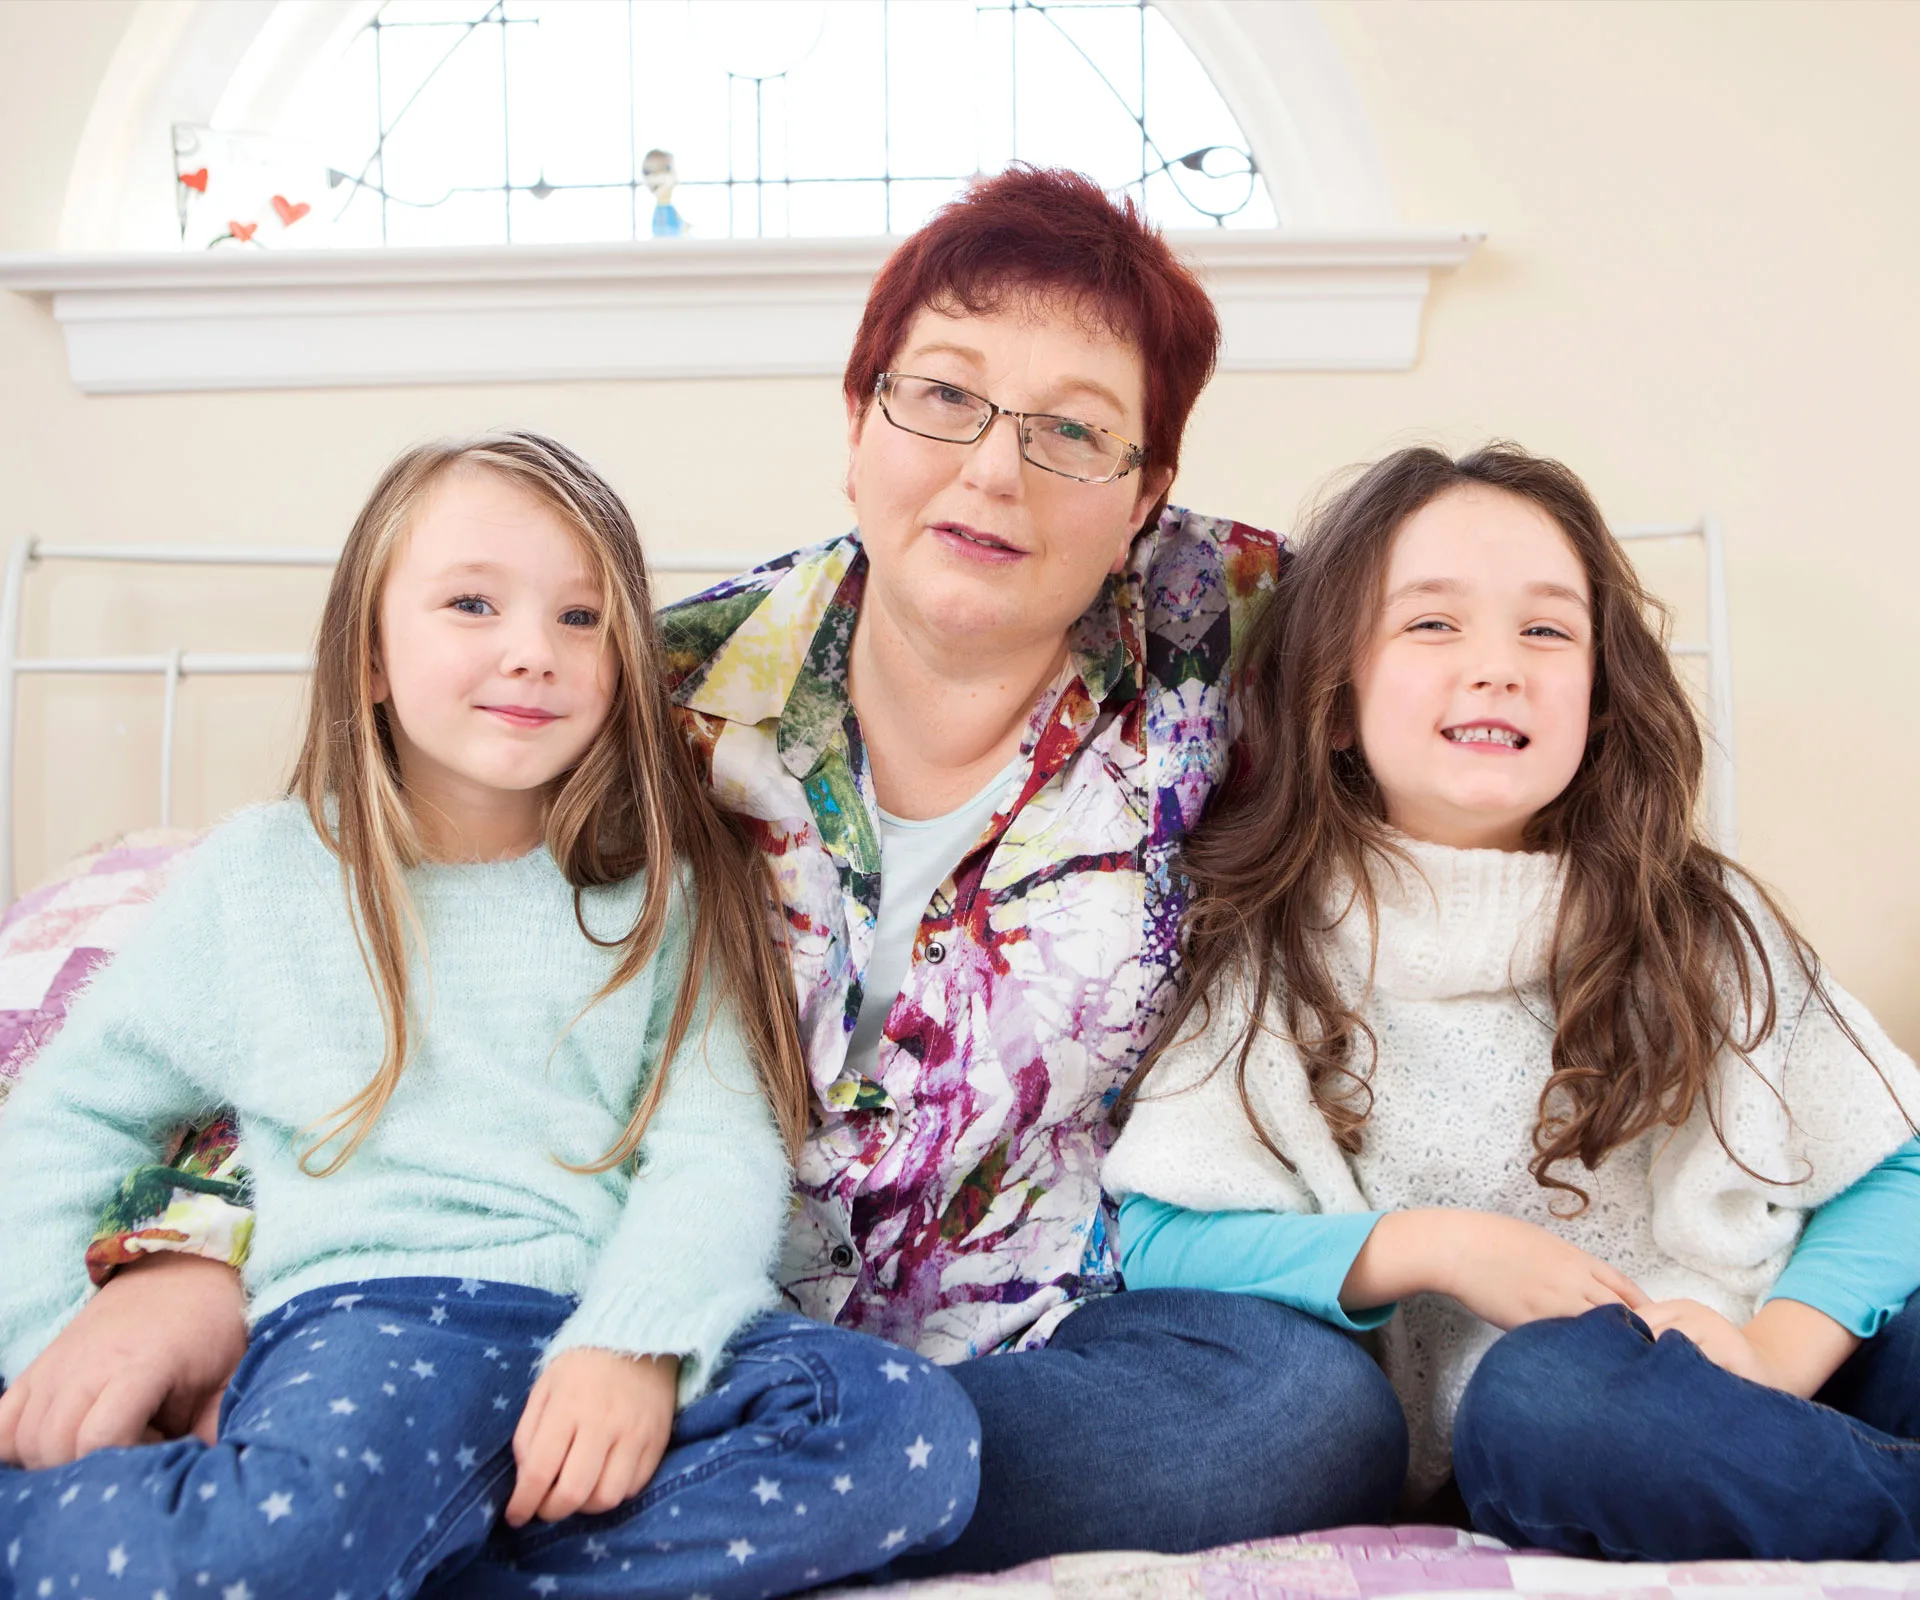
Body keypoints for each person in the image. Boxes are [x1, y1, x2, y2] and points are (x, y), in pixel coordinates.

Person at [1, 168, 1406, 1574]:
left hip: (1001, 1352)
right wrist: (170, 1263)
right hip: (606, 1313)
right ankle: (552, 1493)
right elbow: (346, 985)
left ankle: (461, 1524)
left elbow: (1500, 657)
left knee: (1306, 1415)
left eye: (1076, 431)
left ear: (1148, 491)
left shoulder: (1246, 648)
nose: (996, 467)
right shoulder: (634, 696)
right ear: (856, 424)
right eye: (945, 397)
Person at [0, 432, 977, 1598]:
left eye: (582, 618)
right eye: (472, 603)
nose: (533, 652)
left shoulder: (658, 891)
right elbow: (66, 1116)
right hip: (383, 1320)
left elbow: (716, 1145)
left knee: (903, 1432)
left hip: (607, 1322)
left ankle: (424, 1567)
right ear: (369, 655)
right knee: (286, 1540)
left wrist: (637, 1338)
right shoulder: (260, 879)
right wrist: (52, 1340)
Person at [1105, 442, 1920, 1561]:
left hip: (1779, 1357)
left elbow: (1897, 1172)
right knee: (1543, 1398)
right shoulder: (1274, 958)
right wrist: (1428, 1247)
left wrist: (1778, 1349)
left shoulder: (1699, 917)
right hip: (1575, 1419)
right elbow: (1159, 1233)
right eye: (1433, 624)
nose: (1498, 667)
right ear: (1335, 704)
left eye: (1546, 630)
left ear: (1599, 693)